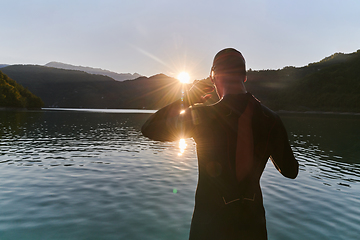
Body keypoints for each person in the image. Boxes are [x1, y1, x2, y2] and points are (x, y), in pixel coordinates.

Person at [141, 48, 299, 240]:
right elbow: (291, 171)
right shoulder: (271, 119)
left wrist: (190, 97)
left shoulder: (204, 115)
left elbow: (149, 129)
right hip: (253, 226)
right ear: (245, 76)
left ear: (213, 78)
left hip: (210, 226)